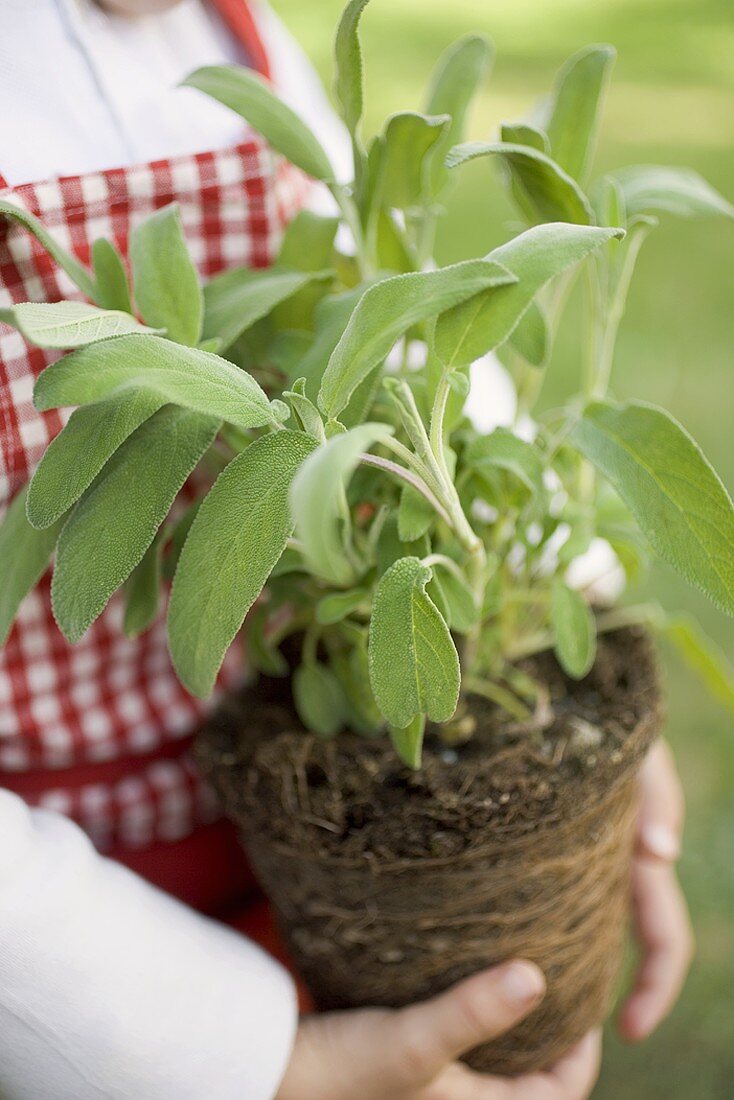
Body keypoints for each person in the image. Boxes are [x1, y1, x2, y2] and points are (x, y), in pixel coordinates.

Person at [0, 1, 693, 1097]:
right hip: (87, 962)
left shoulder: (232, 33)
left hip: (338, 829)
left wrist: (577, 669)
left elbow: (394, 321)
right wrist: (254, 1057)